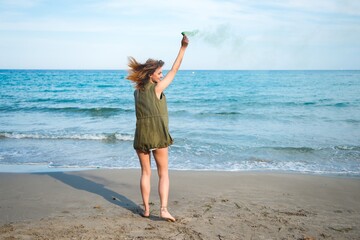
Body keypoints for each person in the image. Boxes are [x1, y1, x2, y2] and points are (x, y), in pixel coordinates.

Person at [126, 34, 189, 222]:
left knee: (145, 173)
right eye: (160, 73)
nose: (162, 75)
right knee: (164, 174)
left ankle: (146, 209)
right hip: (158, 135)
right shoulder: (157, 89)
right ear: (151, 74)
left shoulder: (137, 92)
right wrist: (183, 48)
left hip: (141, 136)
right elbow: (175, 69)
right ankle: (163, 209)